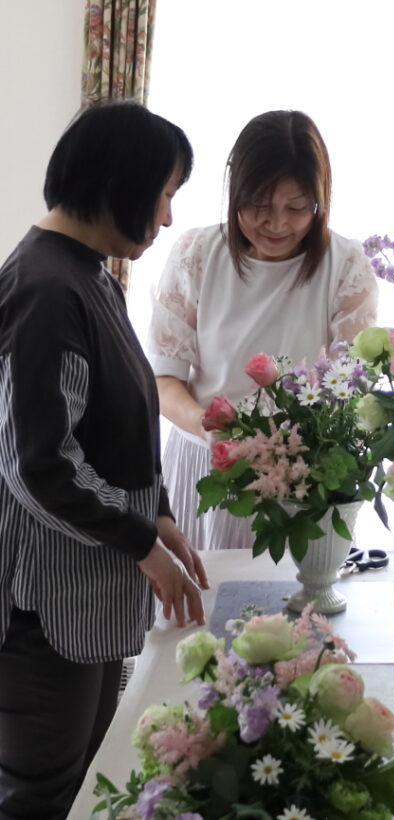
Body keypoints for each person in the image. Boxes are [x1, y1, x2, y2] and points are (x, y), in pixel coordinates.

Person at [0, 102, 207, 820]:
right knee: (43, 796)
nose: (168, 218)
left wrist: (160, 515)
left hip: (84, 597)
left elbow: (118, 428)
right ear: (121, 183)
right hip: (45, 609)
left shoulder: (89, 278)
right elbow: (40, 466)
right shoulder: (46, 290)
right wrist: (142, 541)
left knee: (89, 783)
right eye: (165, 194)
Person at [147, 110, 379, 552]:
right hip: (206, 466)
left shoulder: (346, 266)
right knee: (199, 593)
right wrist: (212, 431)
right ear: (235, 193)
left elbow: (351, 388)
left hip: (299, 478)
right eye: (259, 206)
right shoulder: (197, 253)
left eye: (296, 208)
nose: (277, 224)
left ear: (319, 201)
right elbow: (163, 379)